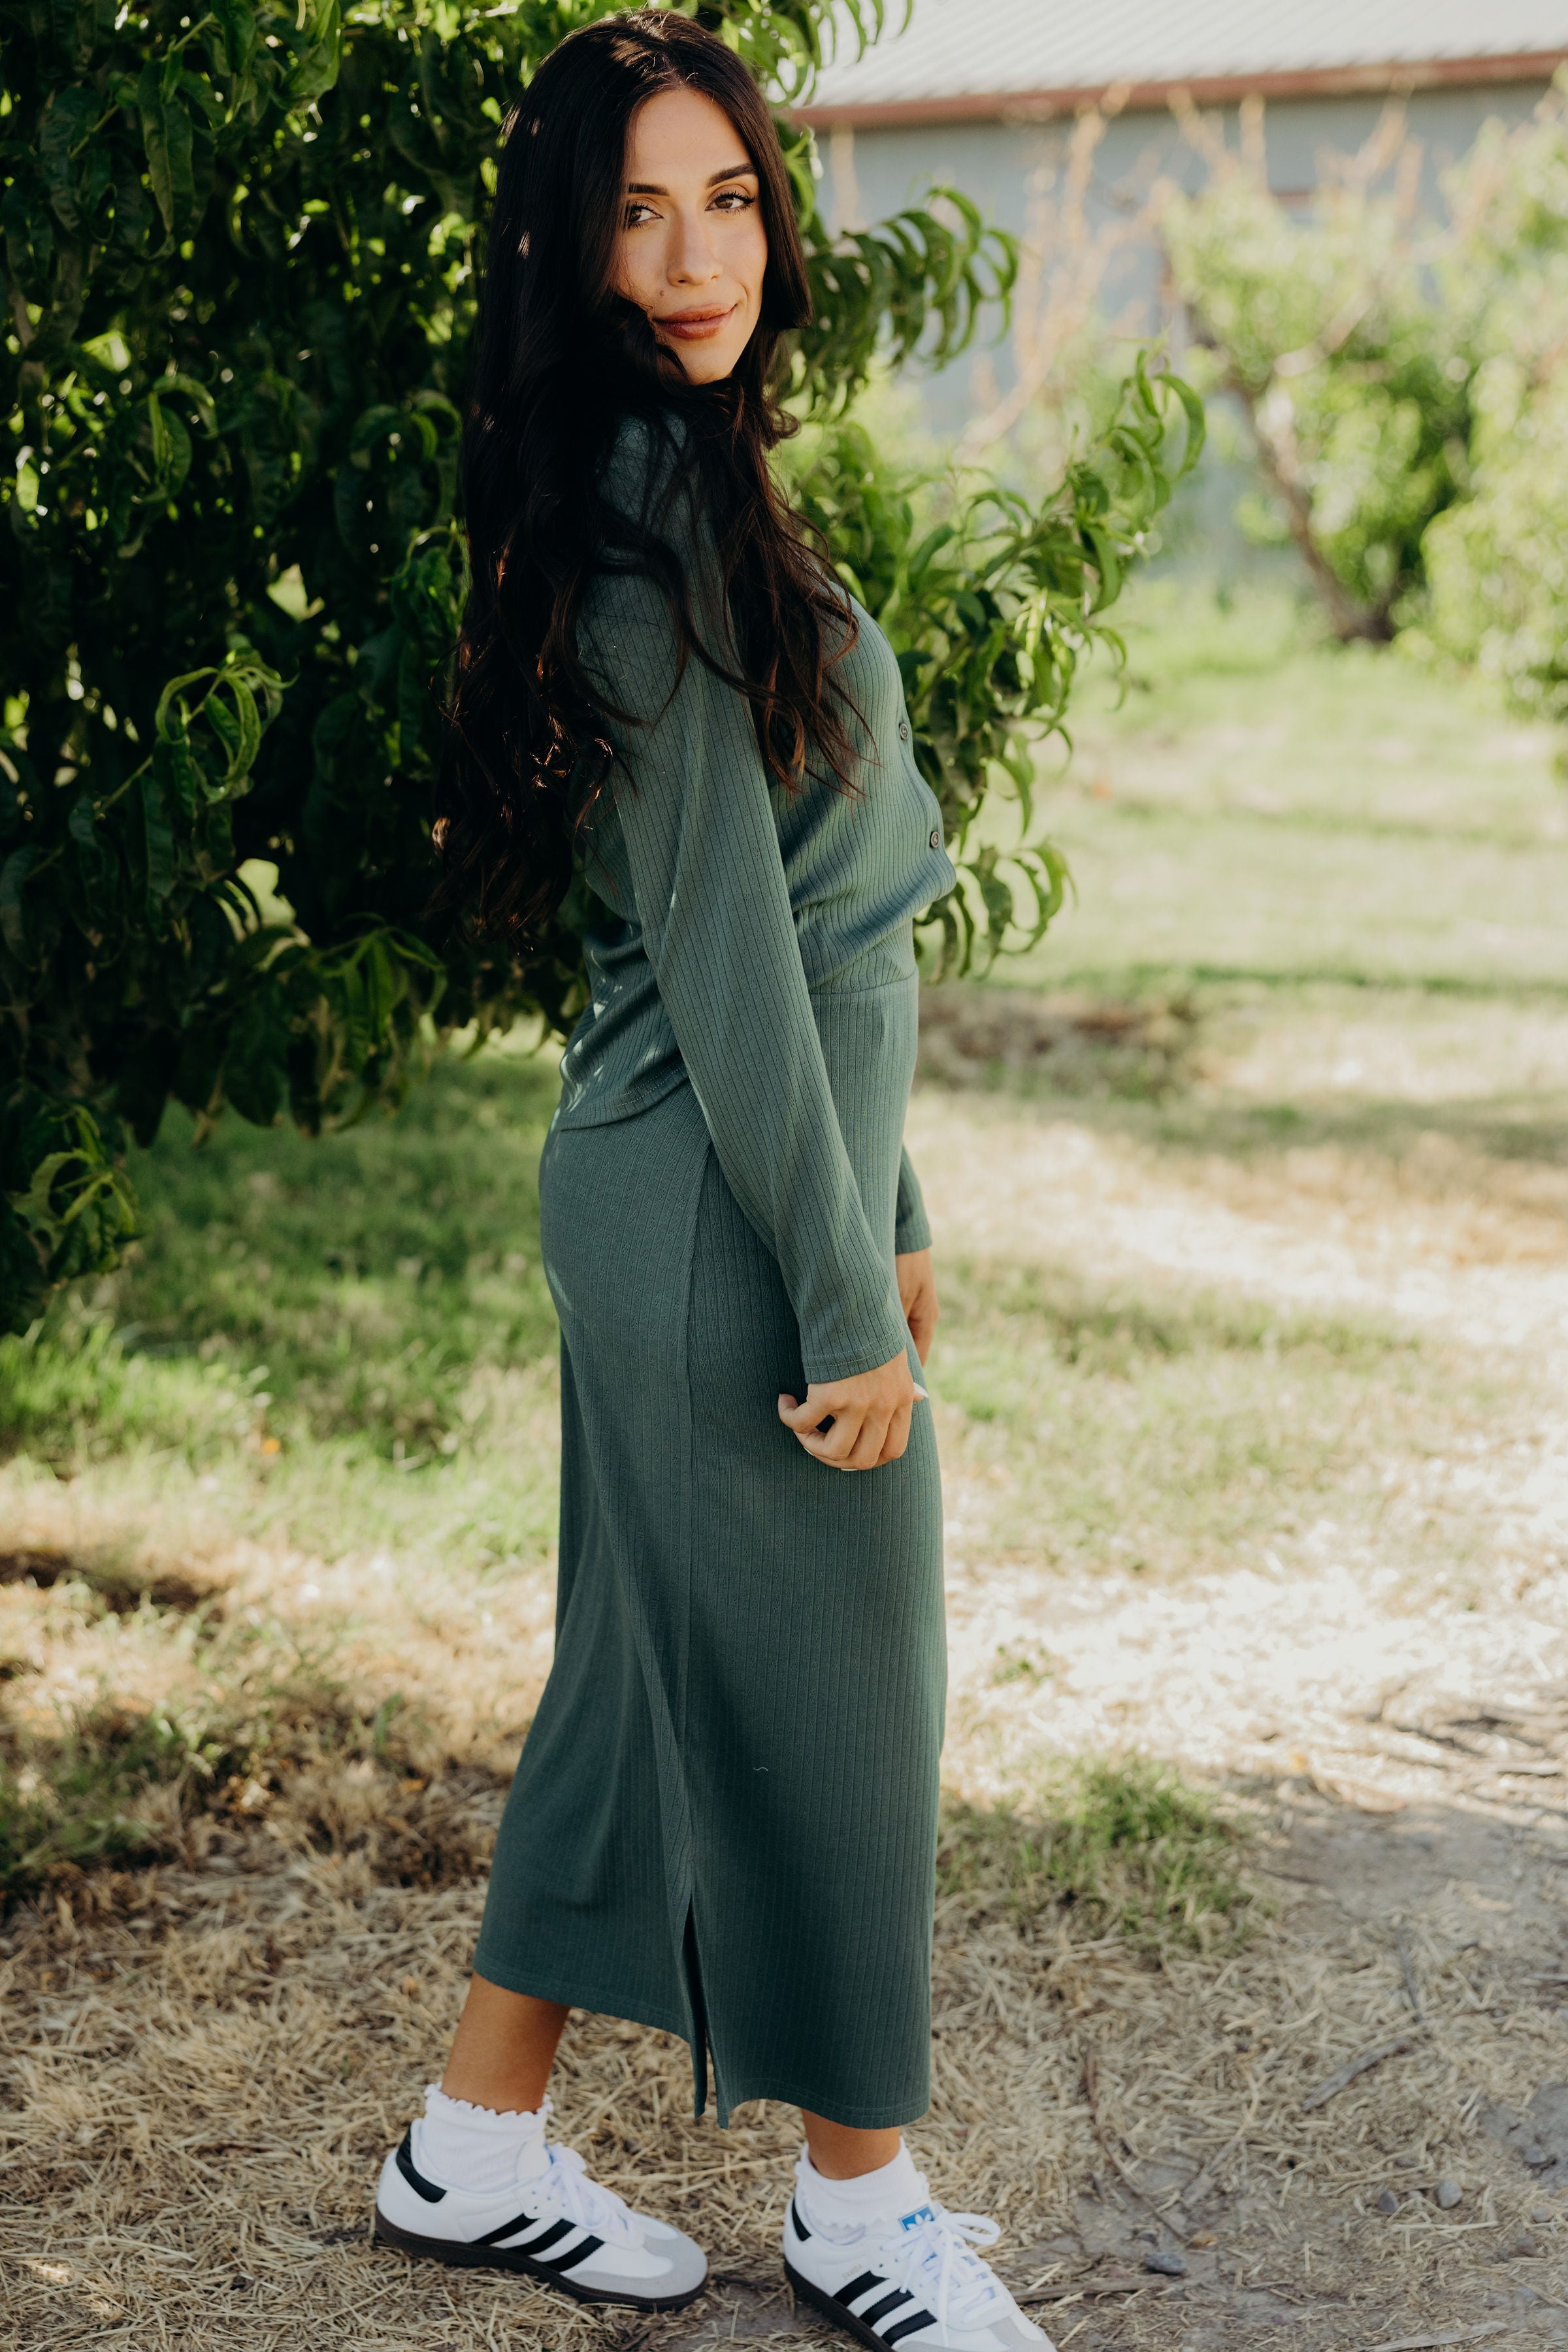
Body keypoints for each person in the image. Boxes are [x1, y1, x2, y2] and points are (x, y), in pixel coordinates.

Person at [371, 16, 1050, 2351]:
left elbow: (831, 904)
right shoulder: (642, 524)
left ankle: (470, 2143)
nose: (693, 256)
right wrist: (845, 1294)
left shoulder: (696, 484)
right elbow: (741, 969)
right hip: (712, 1200)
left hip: (737, 1173)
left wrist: (909, 1196)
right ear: (571, 244)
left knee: (641, 1683)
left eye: (729, 198)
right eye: (638, 210)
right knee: (852, 1682)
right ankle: (863, 2207)